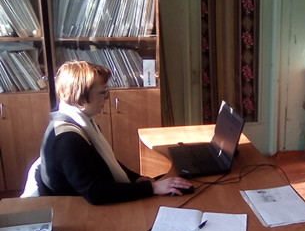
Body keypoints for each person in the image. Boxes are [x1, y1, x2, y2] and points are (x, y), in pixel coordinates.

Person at [35, 60, 192, 205]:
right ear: (80, 96)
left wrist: (136, 179)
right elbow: (95, 192)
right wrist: (153, 188)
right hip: (74, 211)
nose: (107, 98)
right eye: (102, 92)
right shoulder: (68, 140)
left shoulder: (81, 122)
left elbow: (106, 162)